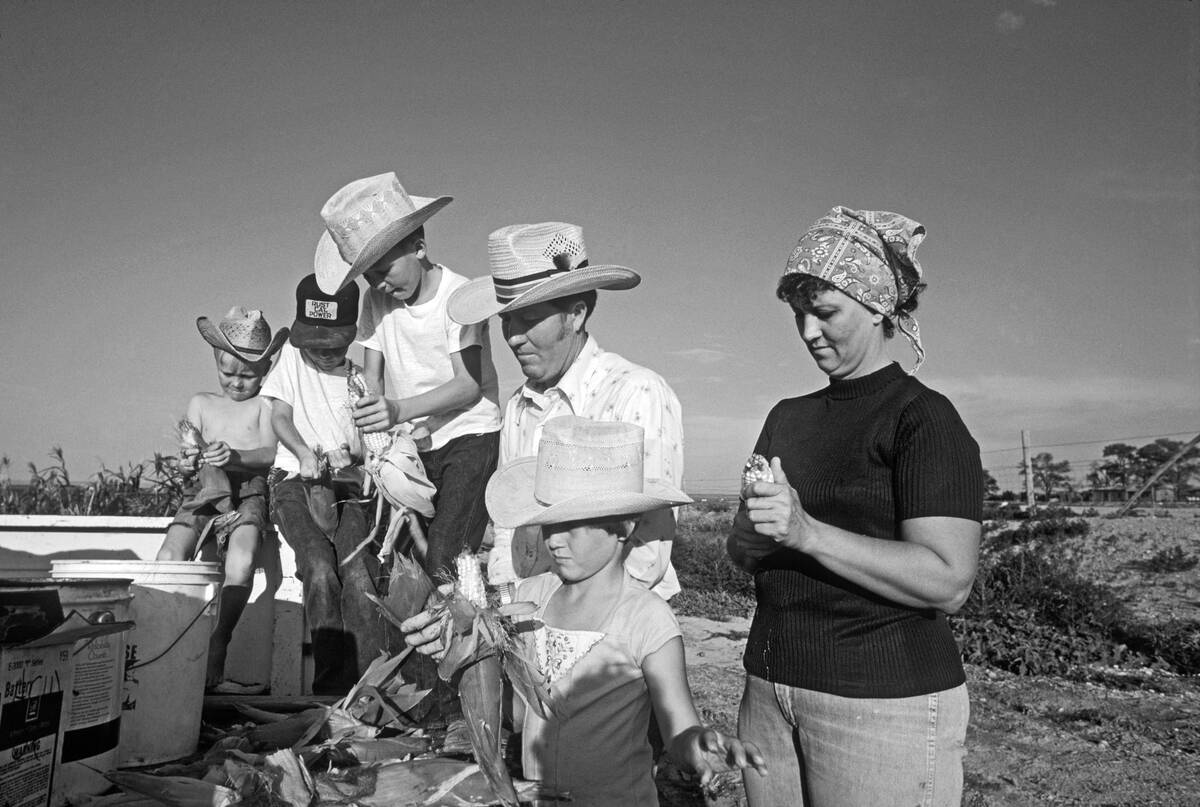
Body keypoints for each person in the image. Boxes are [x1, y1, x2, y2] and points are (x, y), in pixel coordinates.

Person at [728, 206, 984, 806]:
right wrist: (751, 534)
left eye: (825, 313)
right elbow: (747, 553)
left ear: (878, 307)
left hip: (880, 703)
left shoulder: (923, 418)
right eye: (799, 316)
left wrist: (807, 533)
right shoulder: (786, 417)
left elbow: (948, 580)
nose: (809, 332)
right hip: (768, 690)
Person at [402, 416, 767, 807]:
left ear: (625, 525)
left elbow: (678, 731)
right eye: (547, 525)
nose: (554, 540)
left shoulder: (646, 618)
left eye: (573, 524)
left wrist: (700, 747)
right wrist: (461, 656)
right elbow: (518, 715)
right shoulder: (529, 598)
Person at [447, 222, 684, 599]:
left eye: (527, 320)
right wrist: (513, 598)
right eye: (506, 320)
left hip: (616, 626)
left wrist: (571, 611)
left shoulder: (634, 393)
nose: (512, 337)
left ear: (575, 315)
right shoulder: (519, 406)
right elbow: (510, 523)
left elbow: (647, 548)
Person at [313, 172, 501, 580]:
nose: (379, 282)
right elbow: (372, 380)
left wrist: (397, 410)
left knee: (444, 563)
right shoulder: (376, 301)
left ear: (418, 247)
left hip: (470, 437)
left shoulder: (459, 296)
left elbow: (467, 387)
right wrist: (371, 437)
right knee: (398, 567)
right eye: (369, 276)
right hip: (414, 443)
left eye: (384, 269)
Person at [261, 274, 395, 694]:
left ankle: (368, 687)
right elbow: (280, 417)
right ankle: (331, 690)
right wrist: (303, 453)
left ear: (350, 336)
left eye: (332, 347)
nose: (321, 354)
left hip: (348, 489)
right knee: (319, 567)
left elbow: (366, 443)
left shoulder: (359, 381)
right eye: (314, 346)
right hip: (294, 484)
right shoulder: (290, 362)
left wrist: (351, 454)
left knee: (357, 571)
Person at [157, 307, 286, 691]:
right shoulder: (200, 402)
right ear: (216, 362)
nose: (237, 383)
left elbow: (270, 453)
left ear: (265, 371)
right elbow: (185, 461)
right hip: (202, 489)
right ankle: (169, 638)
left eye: (248, 376)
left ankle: (219, 639)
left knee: (242, 560)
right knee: (168, 557)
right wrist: (187, 461)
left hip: (248, 490)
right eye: (228, 373)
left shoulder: (266, 406)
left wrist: (236, 458)